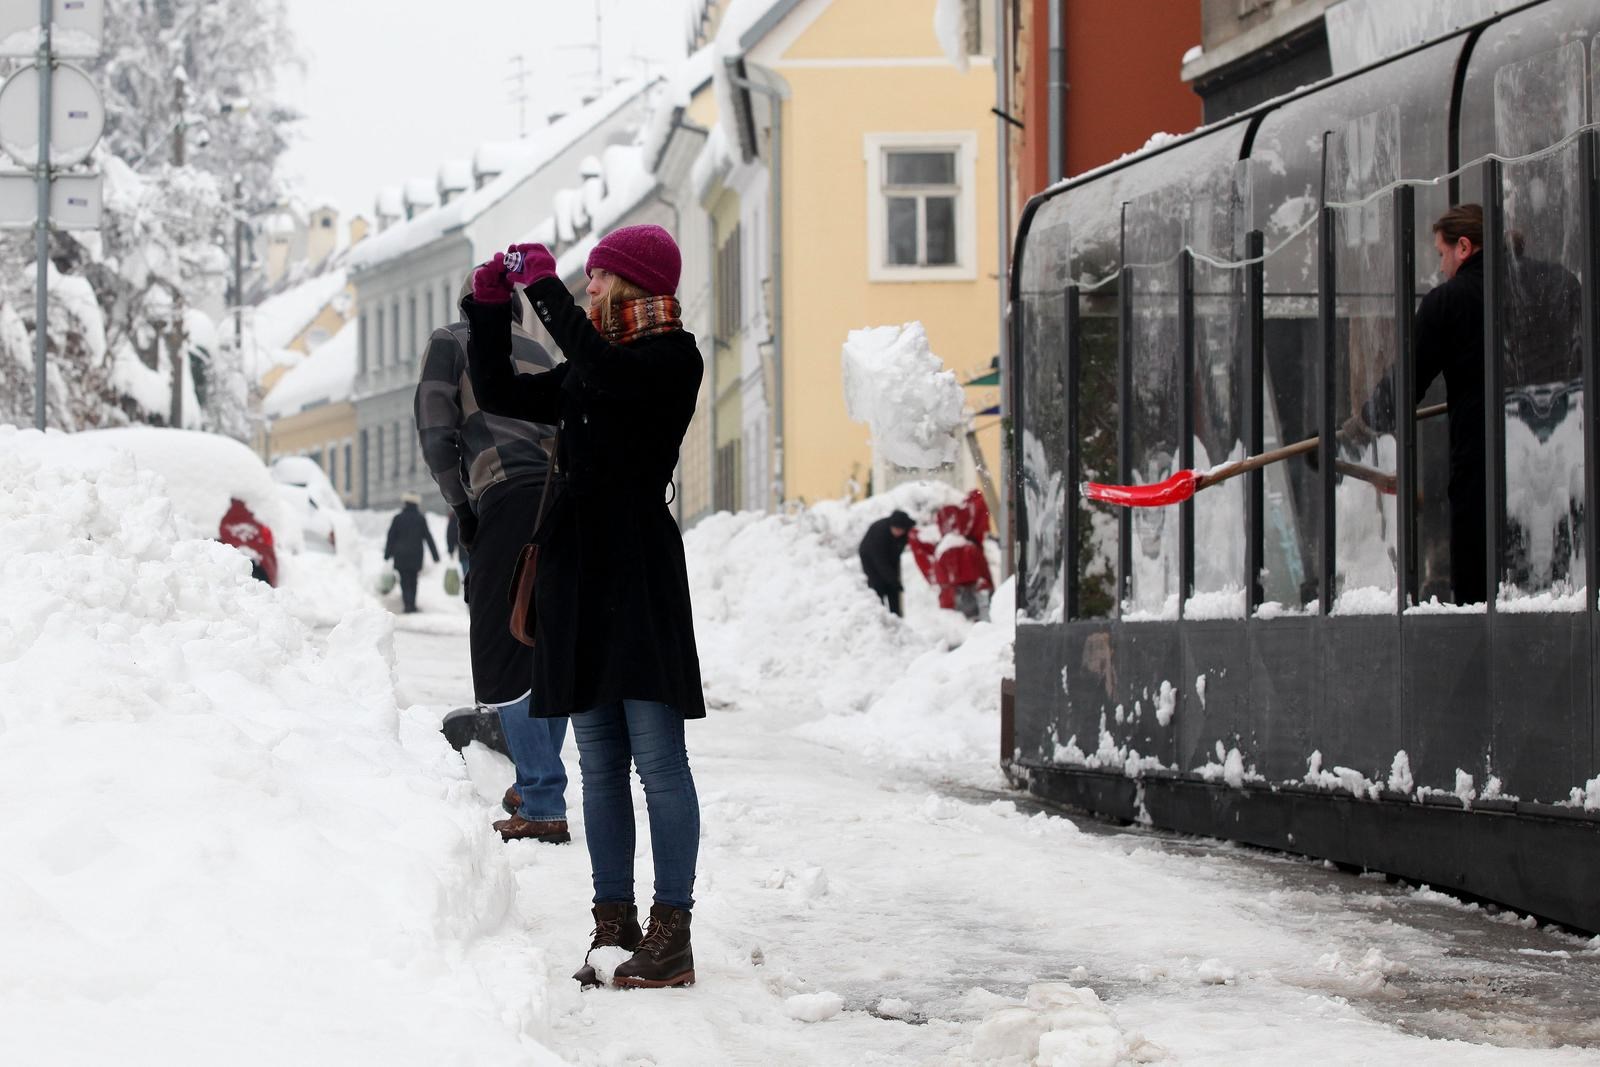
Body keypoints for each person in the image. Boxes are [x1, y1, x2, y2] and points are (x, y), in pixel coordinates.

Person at [464, 224, 705, 990]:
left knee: (658, 761)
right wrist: (488, 310)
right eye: (586, 278)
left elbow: (606, 373)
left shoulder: (670, 358)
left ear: (635, 284)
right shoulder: (589, 364)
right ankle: (614, 922)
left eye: (599, 277)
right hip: (577, 573)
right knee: (599, 762)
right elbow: (500, 392)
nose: (589, 288)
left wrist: (543, 287)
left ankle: (672, 930)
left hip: (635, 572)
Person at [416, 271, 571, 843]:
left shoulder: (451, 340)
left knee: (502, 648)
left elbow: (436, 432)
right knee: (546, 646)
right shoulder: (538, 348)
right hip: (560, 499)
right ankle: (537, 783)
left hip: (506, 496)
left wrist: (463, 507)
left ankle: (541, 798)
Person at [1343, 204, 1487, 604]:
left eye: (1441, 254)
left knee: (1481, 589)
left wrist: (1367, 420)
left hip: (1482, 463)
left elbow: (1407, 379)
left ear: (1463, 247)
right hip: (1564, 463)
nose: (1441, 267)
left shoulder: (1451, 300)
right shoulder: (1549, 286)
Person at [383, 492, 439, 613]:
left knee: (404, 580)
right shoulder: (420, 518)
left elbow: (391, 537)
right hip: (415, 555)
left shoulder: (398, 518)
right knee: (413, 580)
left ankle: (407, 603)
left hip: (400, 555)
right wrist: (435, 555)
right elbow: (428, 537)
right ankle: (411, 604)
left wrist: (387, 554)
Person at [859, 509, 913, 615]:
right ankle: (880, 615)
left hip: (889, 554)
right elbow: (880, 562)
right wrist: (893, 580)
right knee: (878, 584)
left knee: (894, 589)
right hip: (869, 556)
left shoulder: (905, 531)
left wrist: (896, 582)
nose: (899, 532)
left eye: (901, 530)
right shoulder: (879, 533)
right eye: (896, 529)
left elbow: (895, 560)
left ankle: (897, 617)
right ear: (891, 526)